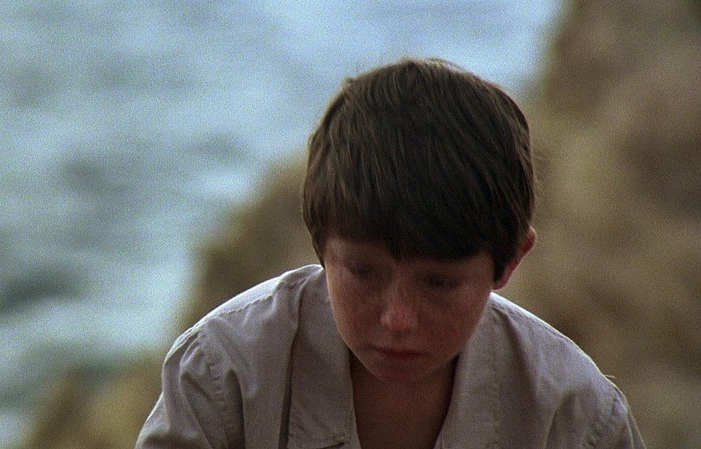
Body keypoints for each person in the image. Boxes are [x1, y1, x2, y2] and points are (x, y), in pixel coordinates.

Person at [135, 57, 645, 448]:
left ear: (509, 261)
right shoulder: (222, 377)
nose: (398, 319)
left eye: (439, 283)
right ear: (320, 244)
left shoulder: (574, 418)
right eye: (362, 272)